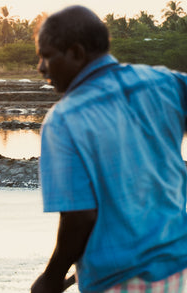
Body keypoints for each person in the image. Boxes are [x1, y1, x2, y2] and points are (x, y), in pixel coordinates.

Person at [31, 5, 187, 293]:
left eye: (46, 56)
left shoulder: (64, 120)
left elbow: (80, 217)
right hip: (179, 269)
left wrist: (51, 277)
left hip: (120, 280)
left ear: (76, 53)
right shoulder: (165, 82)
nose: (41, 67)